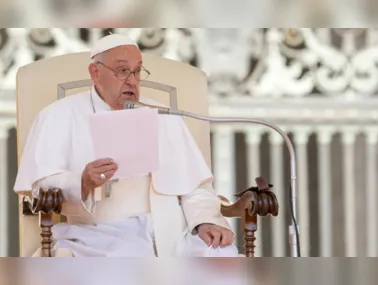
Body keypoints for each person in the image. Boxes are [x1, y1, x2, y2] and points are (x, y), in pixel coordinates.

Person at [14, 34, 239, 257]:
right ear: (95, 73)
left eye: (137, 71)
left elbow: (196, 186)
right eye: (122, 70)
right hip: (99, 234)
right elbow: (40, 187)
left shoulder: (162, 114)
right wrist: (82, 182)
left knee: (222, 255)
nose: (132, 80)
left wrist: (205, 221)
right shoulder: (58, 115)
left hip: (171, 230)